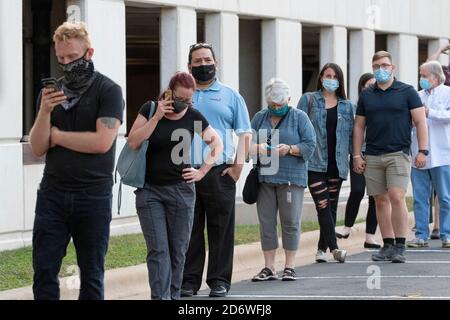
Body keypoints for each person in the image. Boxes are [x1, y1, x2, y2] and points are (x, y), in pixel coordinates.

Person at [29, 22, 124, 300]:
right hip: (53, 194)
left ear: (89, 53)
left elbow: (101, 142)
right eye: (61, 59)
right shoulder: (51, 93)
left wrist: (57, 136)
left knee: (92, 273)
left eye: (72, 57)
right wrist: (45, 112)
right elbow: (37, 147)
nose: (67, 64)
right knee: (44, 270)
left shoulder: (108, 90)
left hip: (92, 195)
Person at [127, 72, 223, 300]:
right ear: (169, 93)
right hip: (149, 191)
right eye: (181, 99)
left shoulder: (193, 116)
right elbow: (133, 142)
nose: (186, 104)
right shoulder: (149, 109)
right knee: (158, 250)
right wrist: (157, 117)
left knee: (178, 250)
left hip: (181, 191)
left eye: (190, 100)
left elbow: (216, 144)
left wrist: (201, 172)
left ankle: (173, 297)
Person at [181, 43, 252, 298]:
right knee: (188, 229)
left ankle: (219, 281)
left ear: (216, 62)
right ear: (189, 65)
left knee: (220, 229)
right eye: (197, 61)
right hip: (184, 171)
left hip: (219, 172)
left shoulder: (231, 95)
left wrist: (237, 167)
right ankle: (188, 282)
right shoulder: (179, 95)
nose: (203, 65)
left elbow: (245, 133)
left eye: (207, 60)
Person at [353, 51, 428, 263]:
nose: (381, 69)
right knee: (380, 200)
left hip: (399, 153)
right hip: (373, 155)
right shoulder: (367, 94)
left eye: (385, 65)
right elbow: (359, 126)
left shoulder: (407, 91)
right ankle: (387, 244)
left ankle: (400, 245)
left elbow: (421, 121)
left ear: (392, 68)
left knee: (396, 196)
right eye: (376, 66)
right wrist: (357, 155)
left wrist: (423, 150)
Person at [249, 78, 316, 282]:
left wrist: (290, 149)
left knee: (290, 222)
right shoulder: (260, 117)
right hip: (265, 178)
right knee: (266, 222)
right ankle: (269, 267)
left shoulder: (300, 117)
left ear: (289, 99)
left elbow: (310, 145)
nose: (277, 108)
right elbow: (247, 144)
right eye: (273, 105)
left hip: (290, 178)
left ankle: (290, 265)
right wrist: (258, 148)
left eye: (280, 104)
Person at [297, 63, 353, 263]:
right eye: (327, 75)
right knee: (322, 204)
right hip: (313, 162)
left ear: (340, 81)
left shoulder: (347, 106)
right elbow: (297, 126)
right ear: (321, 78)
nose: (331, 79)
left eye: (335, 76)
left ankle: (321, 248)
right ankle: (335, 249)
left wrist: (357, 157)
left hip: (337, 164)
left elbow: (353, 135)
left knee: (331, 207)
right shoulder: (309, 100)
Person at [407, 61, 450, 249]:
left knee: (445, 197)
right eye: (420, 75)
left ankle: (446, 234)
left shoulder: (447, 93)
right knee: (419, 197)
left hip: (442, 154)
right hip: (419, 154)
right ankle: (421, 235)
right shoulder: (417, 96)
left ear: (435, 76)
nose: (421, 79)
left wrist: (429, 112)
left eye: (424, 76)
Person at [336, 73, 380, 249]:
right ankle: (347, 227)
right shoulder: (353, 108)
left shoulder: (379, 107)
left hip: (376, 154)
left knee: (375, 197)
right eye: (366, 85)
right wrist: (354, 154)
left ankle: (370, 236)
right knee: (357, 190)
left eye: (373, 85)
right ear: (361, 88)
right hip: (358, 154)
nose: (369, 88)